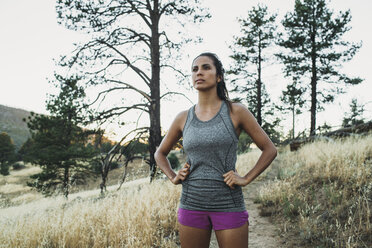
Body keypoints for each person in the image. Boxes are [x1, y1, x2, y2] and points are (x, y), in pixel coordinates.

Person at [154, 52, 277, 248]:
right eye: (195, 69)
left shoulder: (236, 111)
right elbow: (159, 153)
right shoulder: (183, 117)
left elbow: (269, 149)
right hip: (191, 203)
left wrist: (246, 178)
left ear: (218, 76)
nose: (199, 73)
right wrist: (172, 176)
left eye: (206, 67)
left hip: (228, 203)